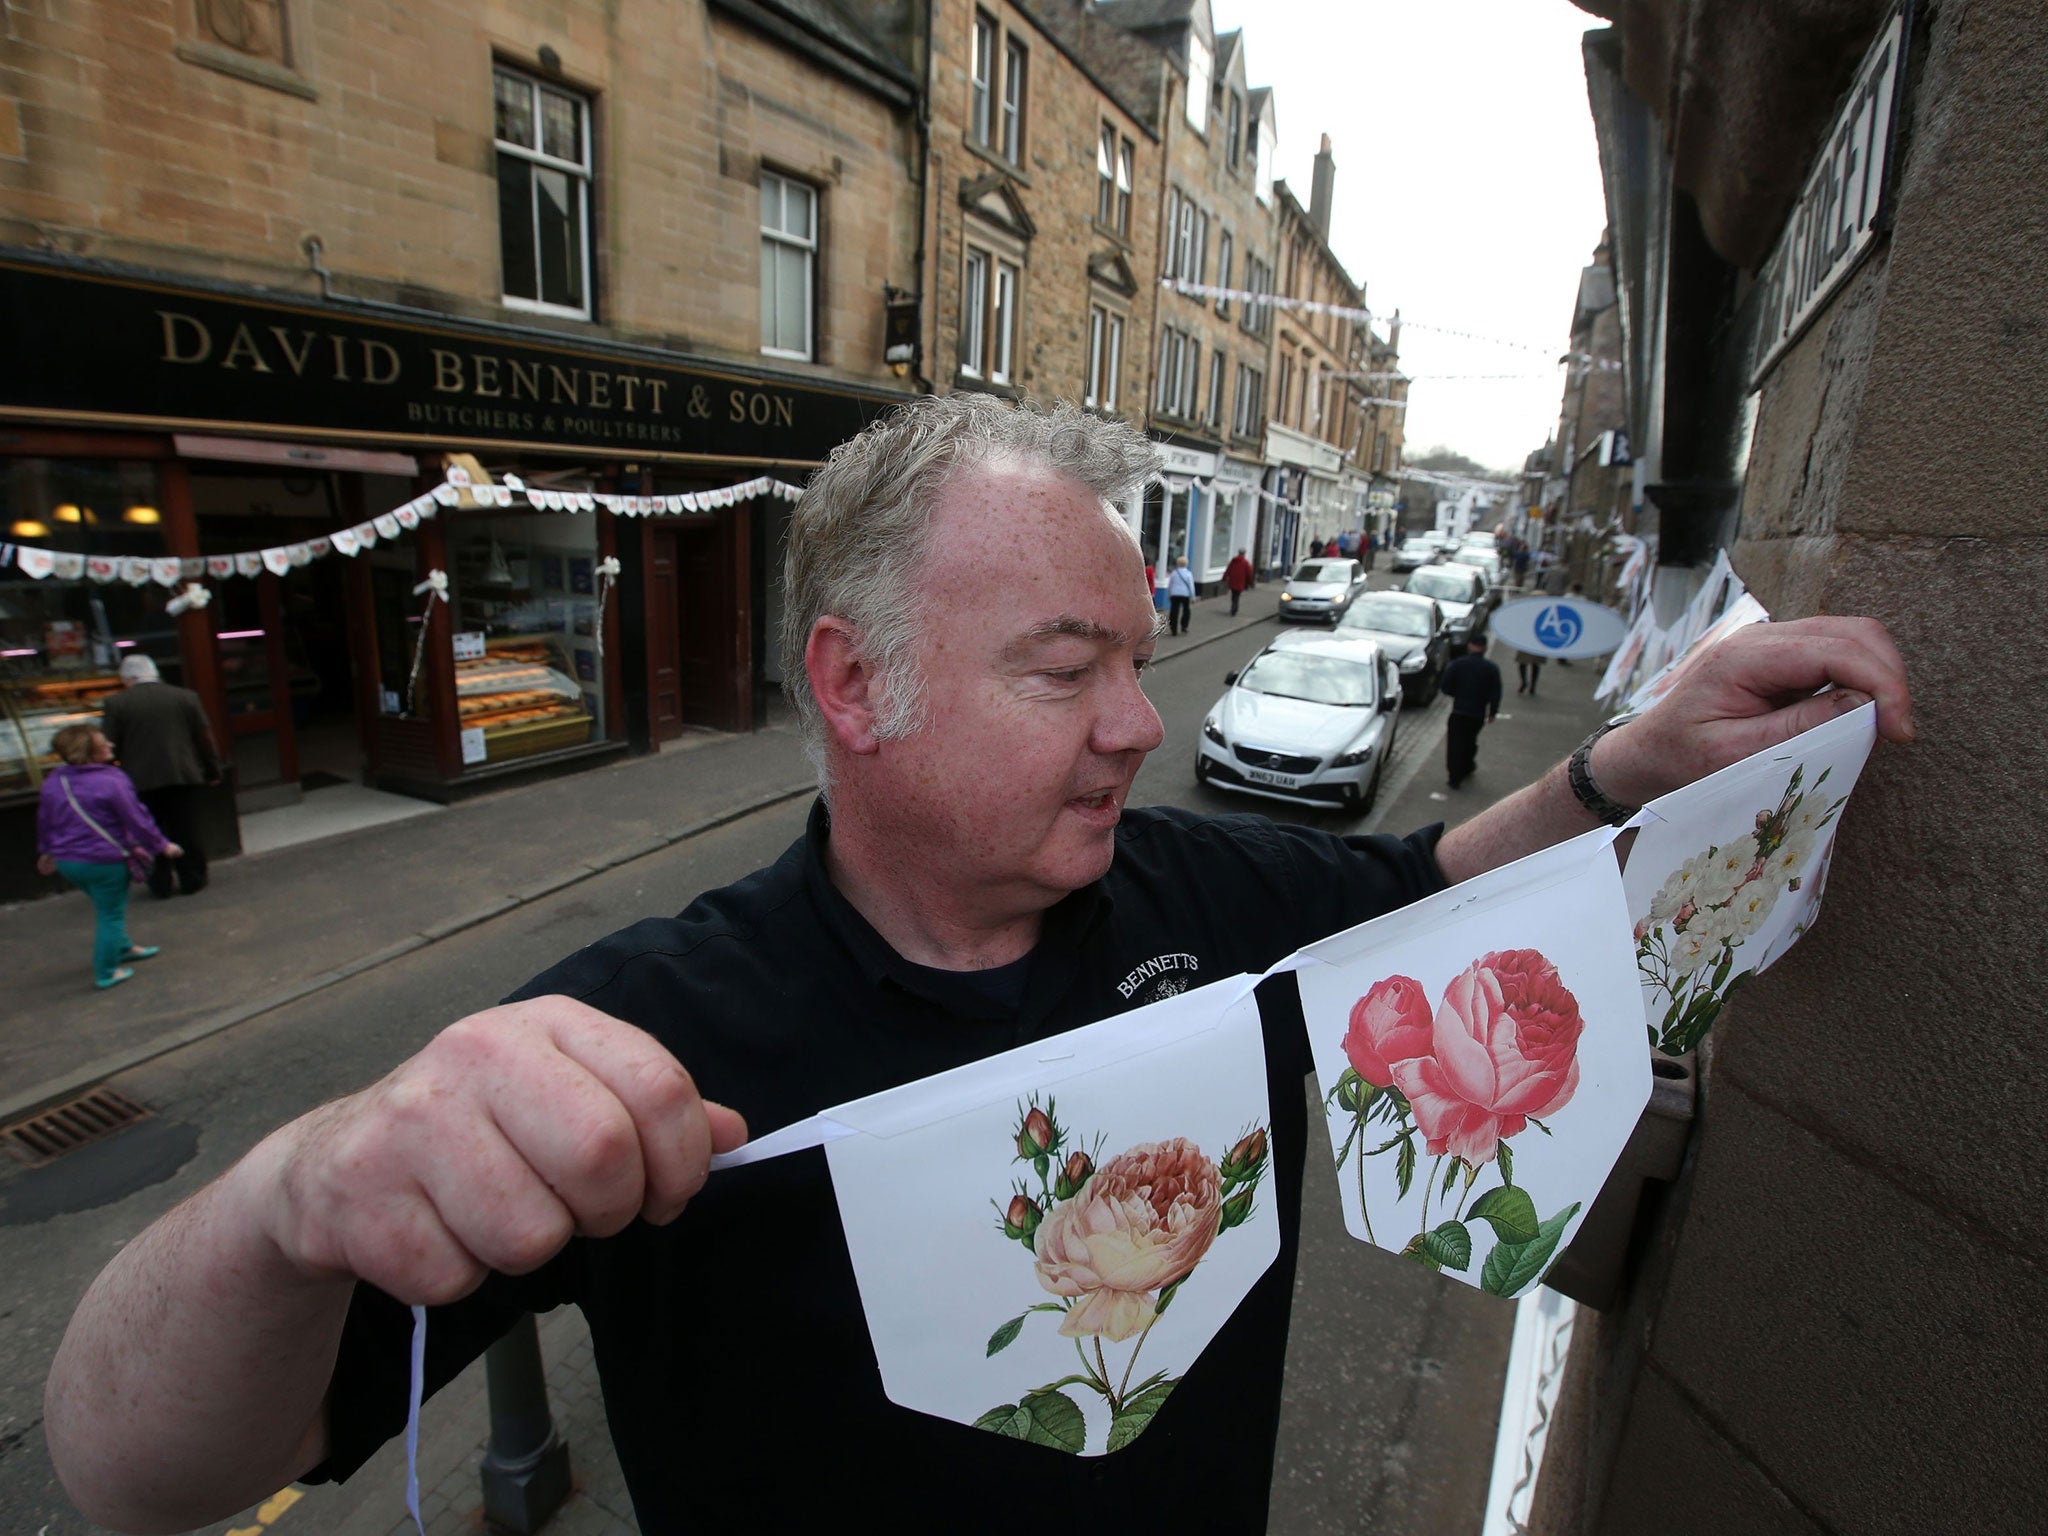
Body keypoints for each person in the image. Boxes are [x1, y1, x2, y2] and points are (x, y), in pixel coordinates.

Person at [43, 396, 1914, 1536]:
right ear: (857, 687)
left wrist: (1621, 764)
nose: (1131, 724)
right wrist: (290, 1197)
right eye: (1062, 667)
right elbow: (137, 1472)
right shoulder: (634, 1037)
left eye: (1131, 659)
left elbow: (1433, 884)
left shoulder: (1202, 893)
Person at [34, 723, 179, 989]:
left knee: (107, 909)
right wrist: (161, 845)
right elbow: (136, 818)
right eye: (104, 743)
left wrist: (46, 850)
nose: (110, 745)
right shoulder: (111, 780)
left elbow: (46, 820)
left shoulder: (55, 781)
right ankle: (107, 971)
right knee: (110, 916)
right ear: (91, 752)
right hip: (104, 860)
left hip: (69, 861)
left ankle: (123, 948)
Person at [100, 653, 223, 897]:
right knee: (186, 827)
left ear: (126, 678)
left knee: (148, 830)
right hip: (182, 773)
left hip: (139, 779)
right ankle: (193, 879)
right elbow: (204, 738)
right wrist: (213, 769)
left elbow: (108, 744)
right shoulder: (185, 697)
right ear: (154, 672)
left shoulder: (116, 703)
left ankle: (159, 883)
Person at [1439, 635, 1504, 789]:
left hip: (1459, 710)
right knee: (1469, 741)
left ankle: (1455, 776)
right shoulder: (1491, 669)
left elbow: (1445, 686)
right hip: (1477, 713)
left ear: (1470, 646)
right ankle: (1467, 765)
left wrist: (1458, 694)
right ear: (1485, 648)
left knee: (1455, 744)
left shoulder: (1458, 664)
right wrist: (1493, 712)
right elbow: (1496, 693)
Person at [1167, 553, 1196, 635]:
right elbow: (1191, 586)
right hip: (1185, 594)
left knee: (1174, 612)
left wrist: (1169, 594)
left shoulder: (1174, 573)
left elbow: (1170, 584)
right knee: (1186, 611)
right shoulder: (1188, 574)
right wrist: (1193, 597)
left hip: (1175, 594)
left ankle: (1173, 629)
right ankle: (1184, 626)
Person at [1223, 547, 1254, 616]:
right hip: (1240, 583)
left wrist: (1224, 578)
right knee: (1237, 596)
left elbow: (1228, 570)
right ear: (1244, 554)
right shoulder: (1245, 563)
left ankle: (1233, 608)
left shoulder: (1233, 561)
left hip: (1232, 582)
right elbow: (1249, 574)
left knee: (1234, 595)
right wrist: (1251, 583)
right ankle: (1234, 609)